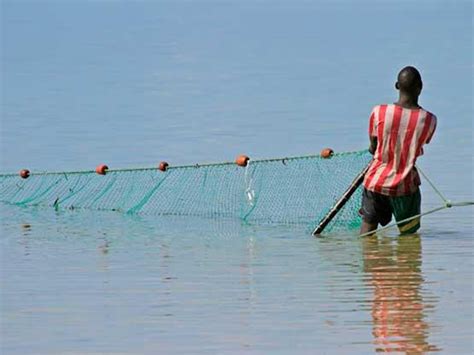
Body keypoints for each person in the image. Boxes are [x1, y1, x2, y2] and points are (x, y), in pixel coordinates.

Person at [360, 66, 437, 235]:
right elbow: (420, 144)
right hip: (405, 186)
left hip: (375, 182)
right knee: (408, 237)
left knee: (367, 231)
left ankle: (369, 258)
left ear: (397, 86)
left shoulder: (379, 112)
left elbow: (373, 147)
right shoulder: (430, 120)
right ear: (421, 86)